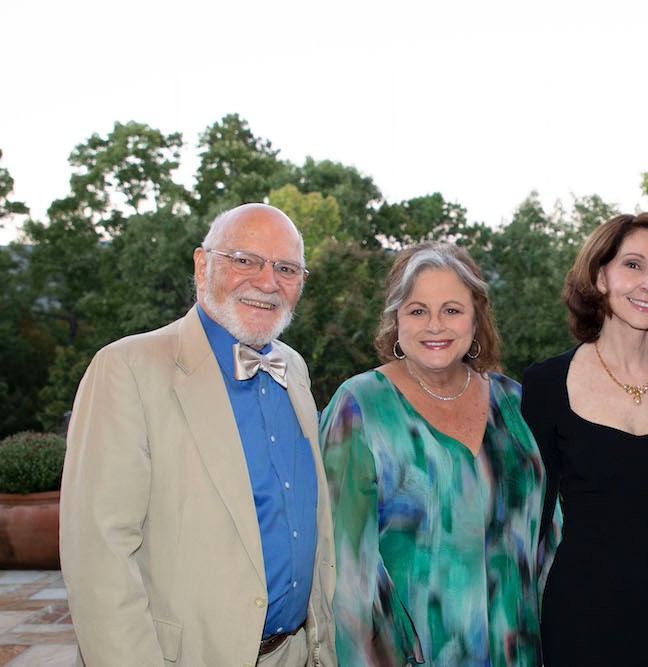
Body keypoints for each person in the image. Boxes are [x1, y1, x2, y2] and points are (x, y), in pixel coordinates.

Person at [60, 204, 336, 666]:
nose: (267, 282)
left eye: (286, 268)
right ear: (202, 264)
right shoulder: (127, 369)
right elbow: (99, 560)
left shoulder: (294, 368)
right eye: (245, 260)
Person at [321, 241, 554, 666]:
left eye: (451, 309)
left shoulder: (516, 404)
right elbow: (345, 571)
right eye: (417, 310)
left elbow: (548, 541)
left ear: (475, 317)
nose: (435, 326)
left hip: (519, 653)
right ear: (396, 319)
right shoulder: (360, 406)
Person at [521, 212, 648, 665]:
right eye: (633, 265)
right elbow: (530, 522)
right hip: (581, 621)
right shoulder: (545, 384)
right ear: (599, 276)